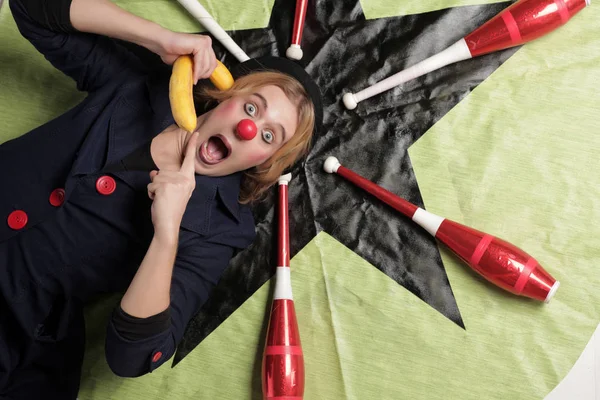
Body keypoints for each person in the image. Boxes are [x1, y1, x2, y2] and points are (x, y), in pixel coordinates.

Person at [0, 0, 323, 398]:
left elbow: (134, 356)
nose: (246, 129)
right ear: (226, 95)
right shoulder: (137, 84)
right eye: (251, 107)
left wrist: (165, 234)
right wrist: (159, 38)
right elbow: (32, 9)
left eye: (269, 136)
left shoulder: (221, 230)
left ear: (266, 161)